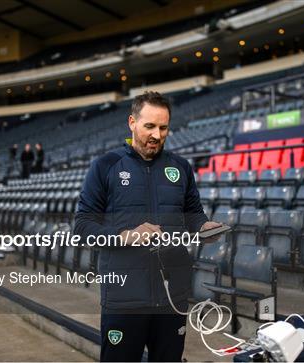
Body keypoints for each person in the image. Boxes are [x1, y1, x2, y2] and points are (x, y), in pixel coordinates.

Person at [74, 91, 221, 362]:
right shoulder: (105, 166)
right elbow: (83, 226)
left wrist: (204, 226)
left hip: (172, 297)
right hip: (124, 298)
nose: (156, 135)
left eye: (163, 128)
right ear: (132, 122)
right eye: (149, 126)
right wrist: (125, 236)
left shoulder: (181, 167)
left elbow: (193, 215)